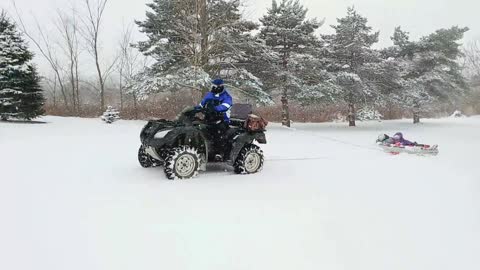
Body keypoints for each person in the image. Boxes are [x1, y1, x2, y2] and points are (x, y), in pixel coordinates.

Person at [194, 79, 233, 159]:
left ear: (220, 86)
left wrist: (215, 108)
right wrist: (194, 109)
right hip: (209, 119)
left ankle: (218, 152)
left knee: (218, 134)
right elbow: (202, 104)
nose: (213, 88)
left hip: (222, 120)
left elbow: (225, 106)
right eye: (212, 86)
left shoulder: (226, 96)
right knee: (198, 128)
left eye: (215, 86)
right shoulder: (209, 95)